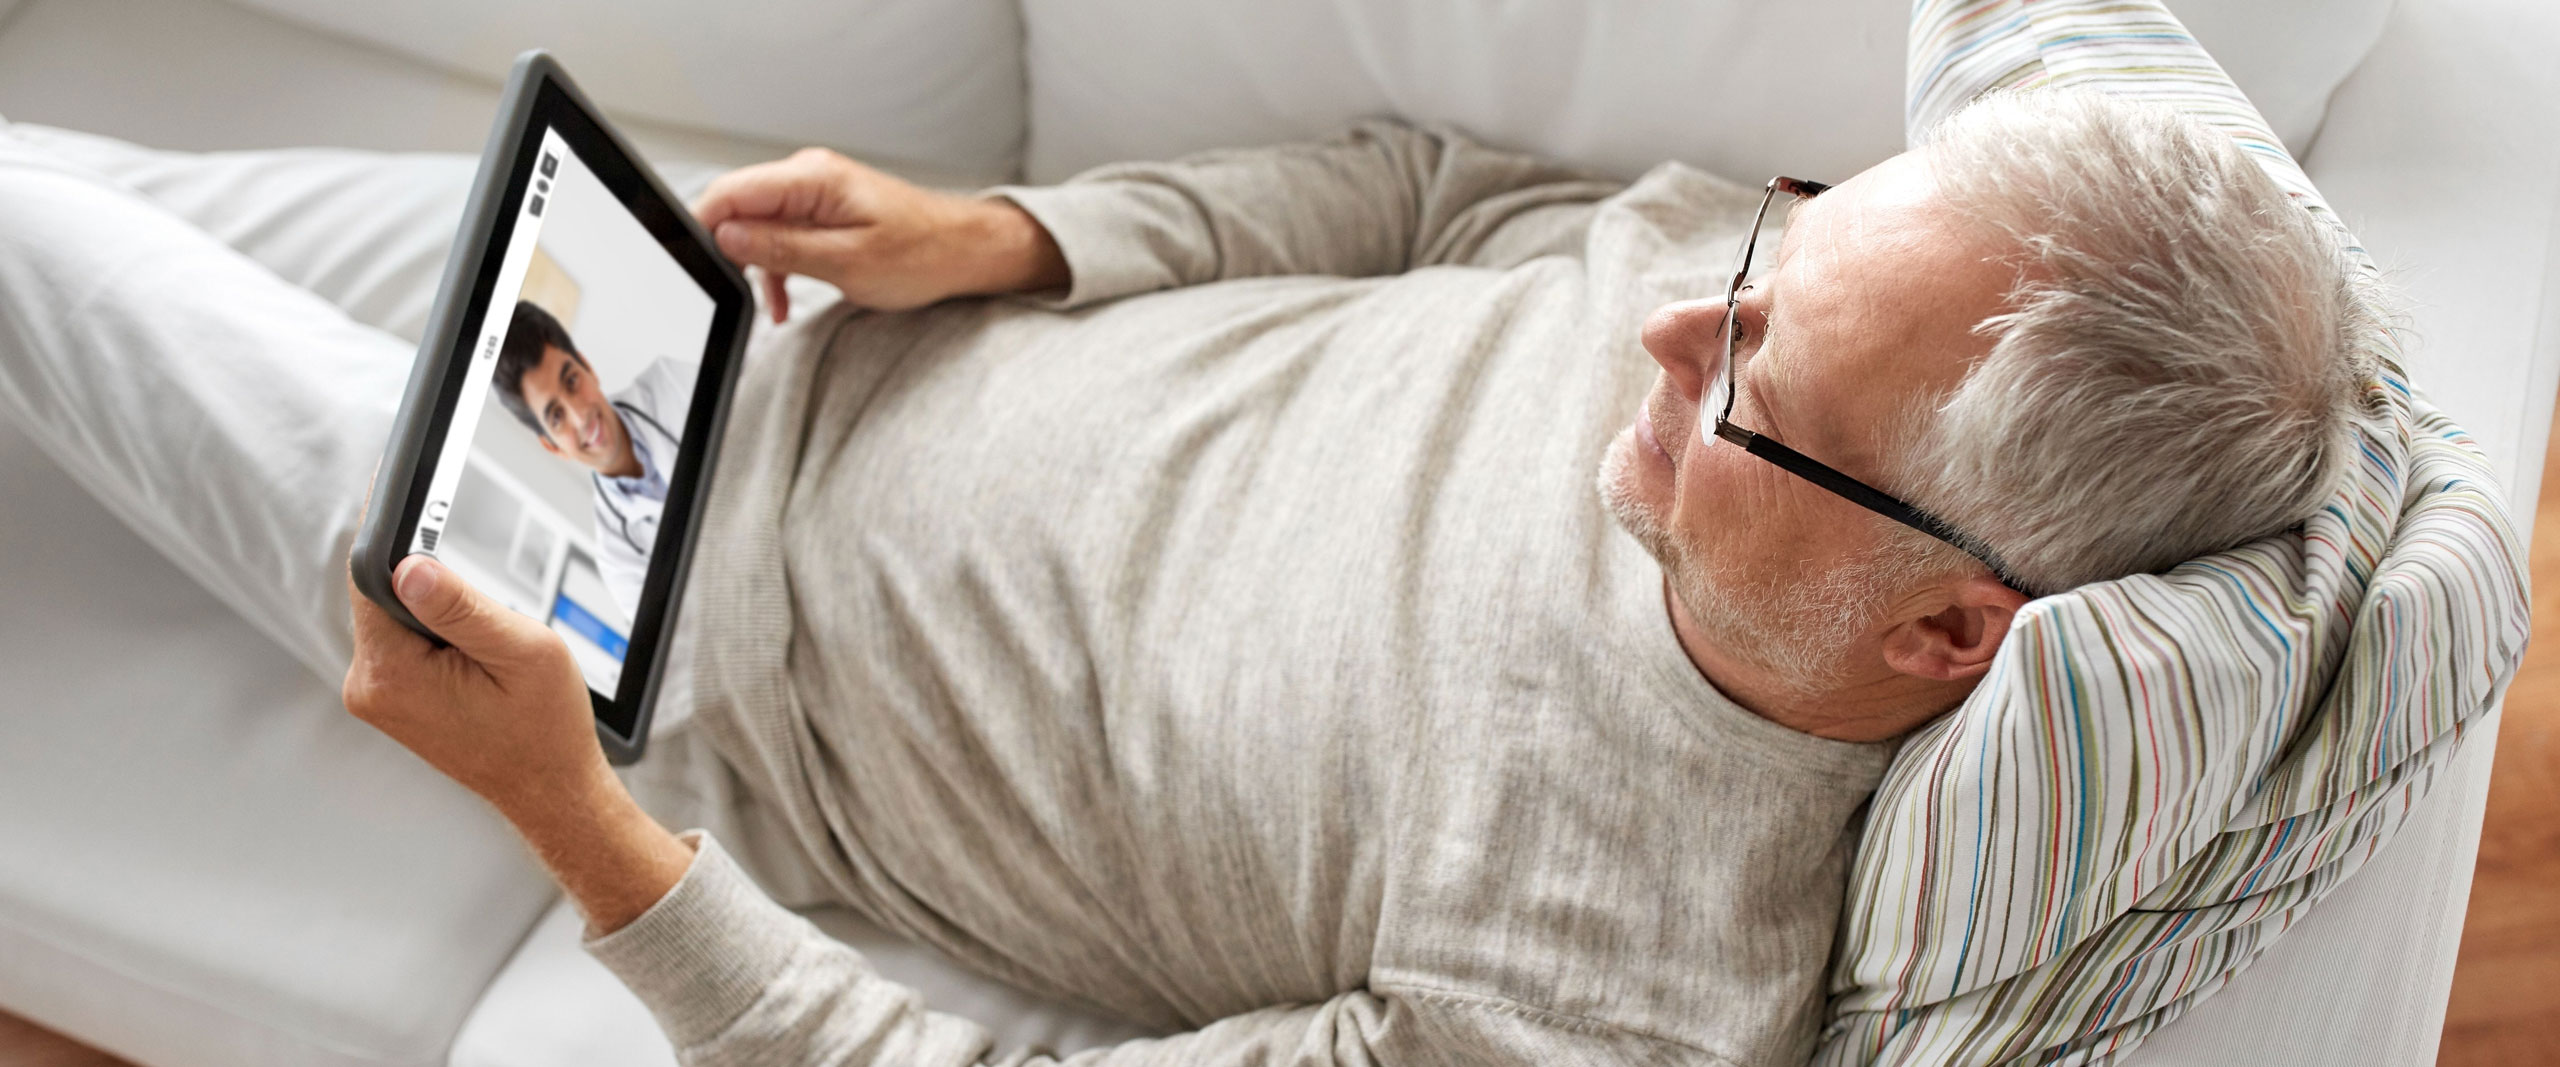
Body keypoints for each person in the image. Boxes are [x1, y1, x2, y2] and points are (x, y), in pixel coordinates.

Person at [0, 1, 2379, 1064]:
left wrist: (575, 821)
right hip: (752, 339)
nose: (1671, 325)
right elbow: (1429, 191)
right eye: (1756, 256)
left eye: (1753, 384)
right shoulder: (1779, 278)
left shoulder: (1605, 992)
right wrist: (1007, 238)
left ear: (1943, 632)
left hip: (666, 633)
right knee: (78, 203)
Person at [488, 299, 696, 616]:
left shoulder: (673, 383)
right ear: (552, 446)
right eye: (556, 416)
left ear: (588, 367)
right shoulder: (619, 560)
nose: (580, 415)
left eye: (571, 381)